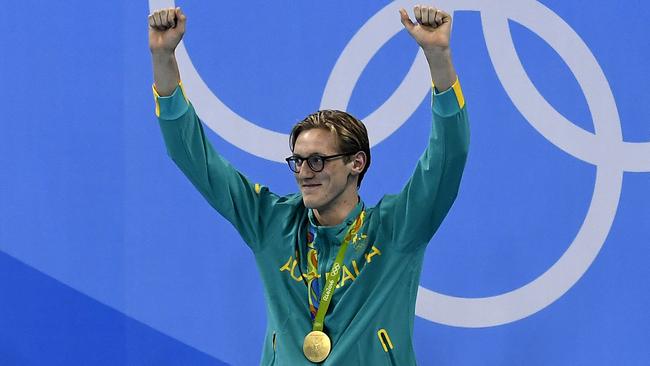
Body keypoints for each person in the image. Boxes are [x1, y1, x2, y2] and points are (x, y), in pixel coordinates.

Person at [148, 4, 469, 365]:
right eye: (297, 161)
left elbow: (447, 157)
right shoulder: (270, 222)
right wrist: (163, 58)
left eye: (317, 160)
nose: (304, 172)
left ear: (356, 163)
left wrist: (438, 56)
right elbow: (193, 156)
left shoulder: (397, 228)